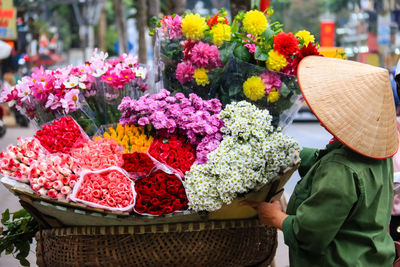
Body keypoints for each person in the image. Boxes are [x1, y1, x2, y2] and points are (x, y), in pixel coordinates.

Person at [245, 56, 399, 266]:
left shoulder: (340, 168)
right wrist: (292, 153)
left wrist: (274, 217)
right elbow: (323, 159)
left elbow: (310, 234)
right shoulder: (373, 151)